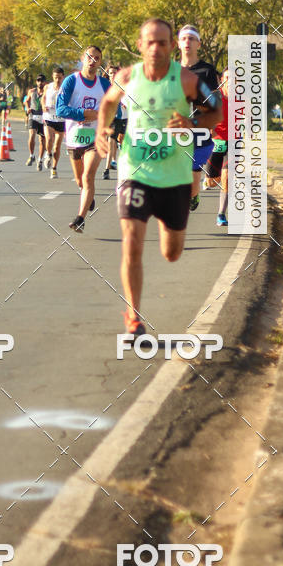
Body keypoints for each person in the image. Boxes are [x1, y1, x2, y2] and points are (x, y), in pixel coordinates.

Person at [96, 18, 222, 336]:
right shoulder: (126, 77)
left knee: (171, 252)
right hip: (135, 172)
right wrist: (101, 130)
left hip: (175, 176)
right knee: (132, 243)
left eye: (162, 42)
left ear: (171, 46)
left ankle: (172, 227)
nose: (155, 48)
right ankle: (133, 317)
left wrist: (193, 124)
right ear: (140, 45)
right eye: (149, 42)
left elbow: (216, 112)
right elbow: (108, 103)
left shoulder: (187, 80)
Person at [56, 46, 110, 233]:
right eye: (89, 57)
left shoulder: (104, 85)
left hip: (96, 139)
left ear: (100, 62)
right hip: (74, 139)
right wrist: (83, 113)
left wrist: (101, 115)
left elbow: (115, 111)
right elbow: (60, 109)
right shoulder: (72, 81)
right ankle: (89, 196)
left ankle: (80, 219)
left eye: (97, 58)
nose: (92, 60)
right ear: (82, 58)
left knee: (88, 177)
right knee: (81, 181)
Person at [177, 25, 220, 212]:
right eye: (184, 38)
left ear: (198, 44)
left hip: (198, 128)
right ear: (178, 44)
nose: (187, 42)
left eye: (191, 38)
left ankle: (193, 195)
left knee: (193, 172)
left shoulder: (207, 70)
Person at [204, 68, 229, 227]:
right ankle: (207, 181)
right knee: (213, 181)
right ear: (221, 80)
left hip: (234, 142)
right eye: (228, 77)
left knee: (227, 177)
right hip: (216, 141)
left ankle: (221, 214)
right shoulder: (214, 96)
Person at [102, 63, 127, 180]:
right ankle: (108, 166)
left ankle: (110, 167)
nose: (113, 75)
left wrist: (124, 103)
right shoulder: (104, 86)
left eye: (115, 73)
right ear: (108, 74)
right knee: (109, 141)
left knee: (116, 141)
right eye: (111, 73)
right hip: (107, 118)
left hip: (119, 118)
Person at [42, 66, 66, 179]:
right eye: (56, 77)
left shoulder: (66, 88)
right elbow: (43, 98)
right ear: (53, 76)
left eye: (60, 78)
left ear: (63, 77)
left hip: (61, 119)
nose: (58, 80)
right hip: (49, 117)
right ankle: (48, 154)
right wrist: (43, 105)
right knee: (49, 139)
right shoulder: (48, 87)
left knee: (57, 147)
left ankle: (54, 168)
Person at [24, 75, 47, 169]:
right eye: (38, 81)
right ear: (36, 82)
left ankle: (40, 160)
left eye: (42, 81)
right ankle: (31, 155)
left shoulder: (47, 92)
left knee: (42, 140)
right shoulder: (31, 91)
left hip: (44, 117)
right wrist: (28, 108)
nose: (40, 82)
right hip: (33, 116)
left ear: (45, 82)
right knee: (32, 135)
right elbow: (26, 101)